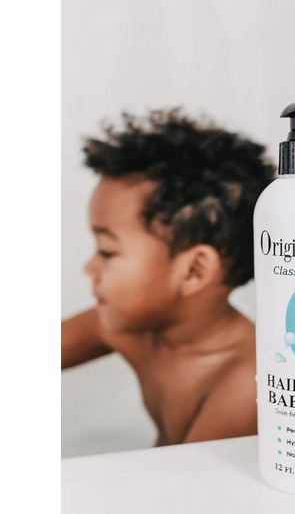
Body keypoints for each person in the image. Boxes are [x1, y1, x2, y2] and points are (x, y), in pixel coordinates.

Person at [61, 109, 276, 446]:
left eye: (107, 251)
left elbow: (190, 480)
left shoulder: (249, 383)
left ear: (193, 271)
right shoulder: (132, 327)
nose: (89, 267)